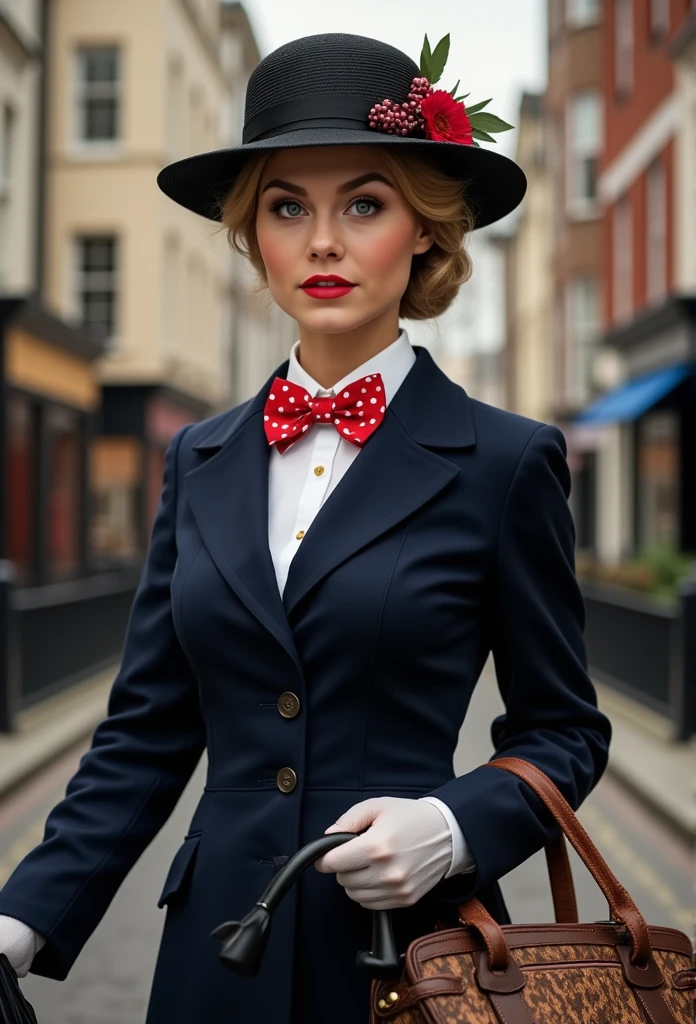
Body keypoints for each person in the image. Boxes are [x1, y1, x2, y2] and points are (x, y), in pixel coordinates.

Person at [0, 30, 611, 1024]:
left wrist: (455, 822)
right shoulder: (198, 457)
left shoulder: (505, 460)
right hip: (215, 957)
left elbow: (566, 731)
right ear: (254, 235)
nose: (322, 241)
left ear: (422, 228)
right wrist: (17, 921)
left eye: (363, 204)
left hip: (415, 958)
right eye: (289, 208)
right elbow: (147, 735)